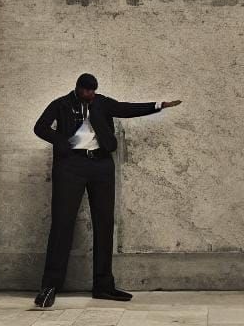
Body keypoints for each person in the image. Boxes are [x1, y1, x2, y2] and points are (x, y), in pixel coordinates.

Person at [32, 73, 182, 308]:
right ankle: (49, 286)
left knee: (104, 223)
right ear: (78, 89)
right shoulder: (61, 104)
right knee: (62, 224)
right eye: (87, 91)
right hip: (71, 165)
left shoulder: (101, 102)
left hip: (101, 165)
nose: (90, 95)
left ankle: (103, 285)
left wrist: (158, 106)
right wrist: (61, 141)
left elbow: (125, 109)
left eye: (93, 91)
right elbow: (40, 127)